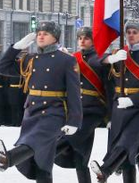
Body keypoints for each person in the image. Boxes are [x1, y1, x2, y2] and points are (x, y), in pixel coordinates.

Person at [0, 21, 82, 183]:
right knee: (43, 159)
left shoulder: (66, 60)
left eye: (46, 33)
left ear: (55, 38)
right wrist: (17, 47)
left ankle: (9, 158)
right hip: (32, 110)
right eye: (39, 33)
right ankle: (14, 160)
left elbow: (74, 92)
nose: (40, 36)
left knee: (35, 140)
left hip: (54, 111)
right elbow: (2, 67)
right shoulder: (30, 59)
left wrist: (74, 121)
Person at [90, 20, 139, 183]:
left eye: (135, 32)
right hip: (120, 107)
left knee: (127, 141)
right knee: (128, 157)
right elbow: (94, 61)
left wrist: (132, 100)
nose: (130, 35)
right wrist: (111, 59)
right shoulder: (119, 53)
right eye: (128, 32)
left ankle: (106, 170)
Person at [55, 26, 110, 183]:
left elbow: (107, 85)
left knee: (69, 137)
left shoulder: (99, 57)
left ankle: (40, 154)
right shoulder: (74, 57)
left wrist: (110, 115)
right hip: (75, 108)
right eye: (80, 38)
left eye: (86, 38)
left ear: (93, 41)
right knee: (81, 157)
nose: (82, 41)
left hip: (93, 109)